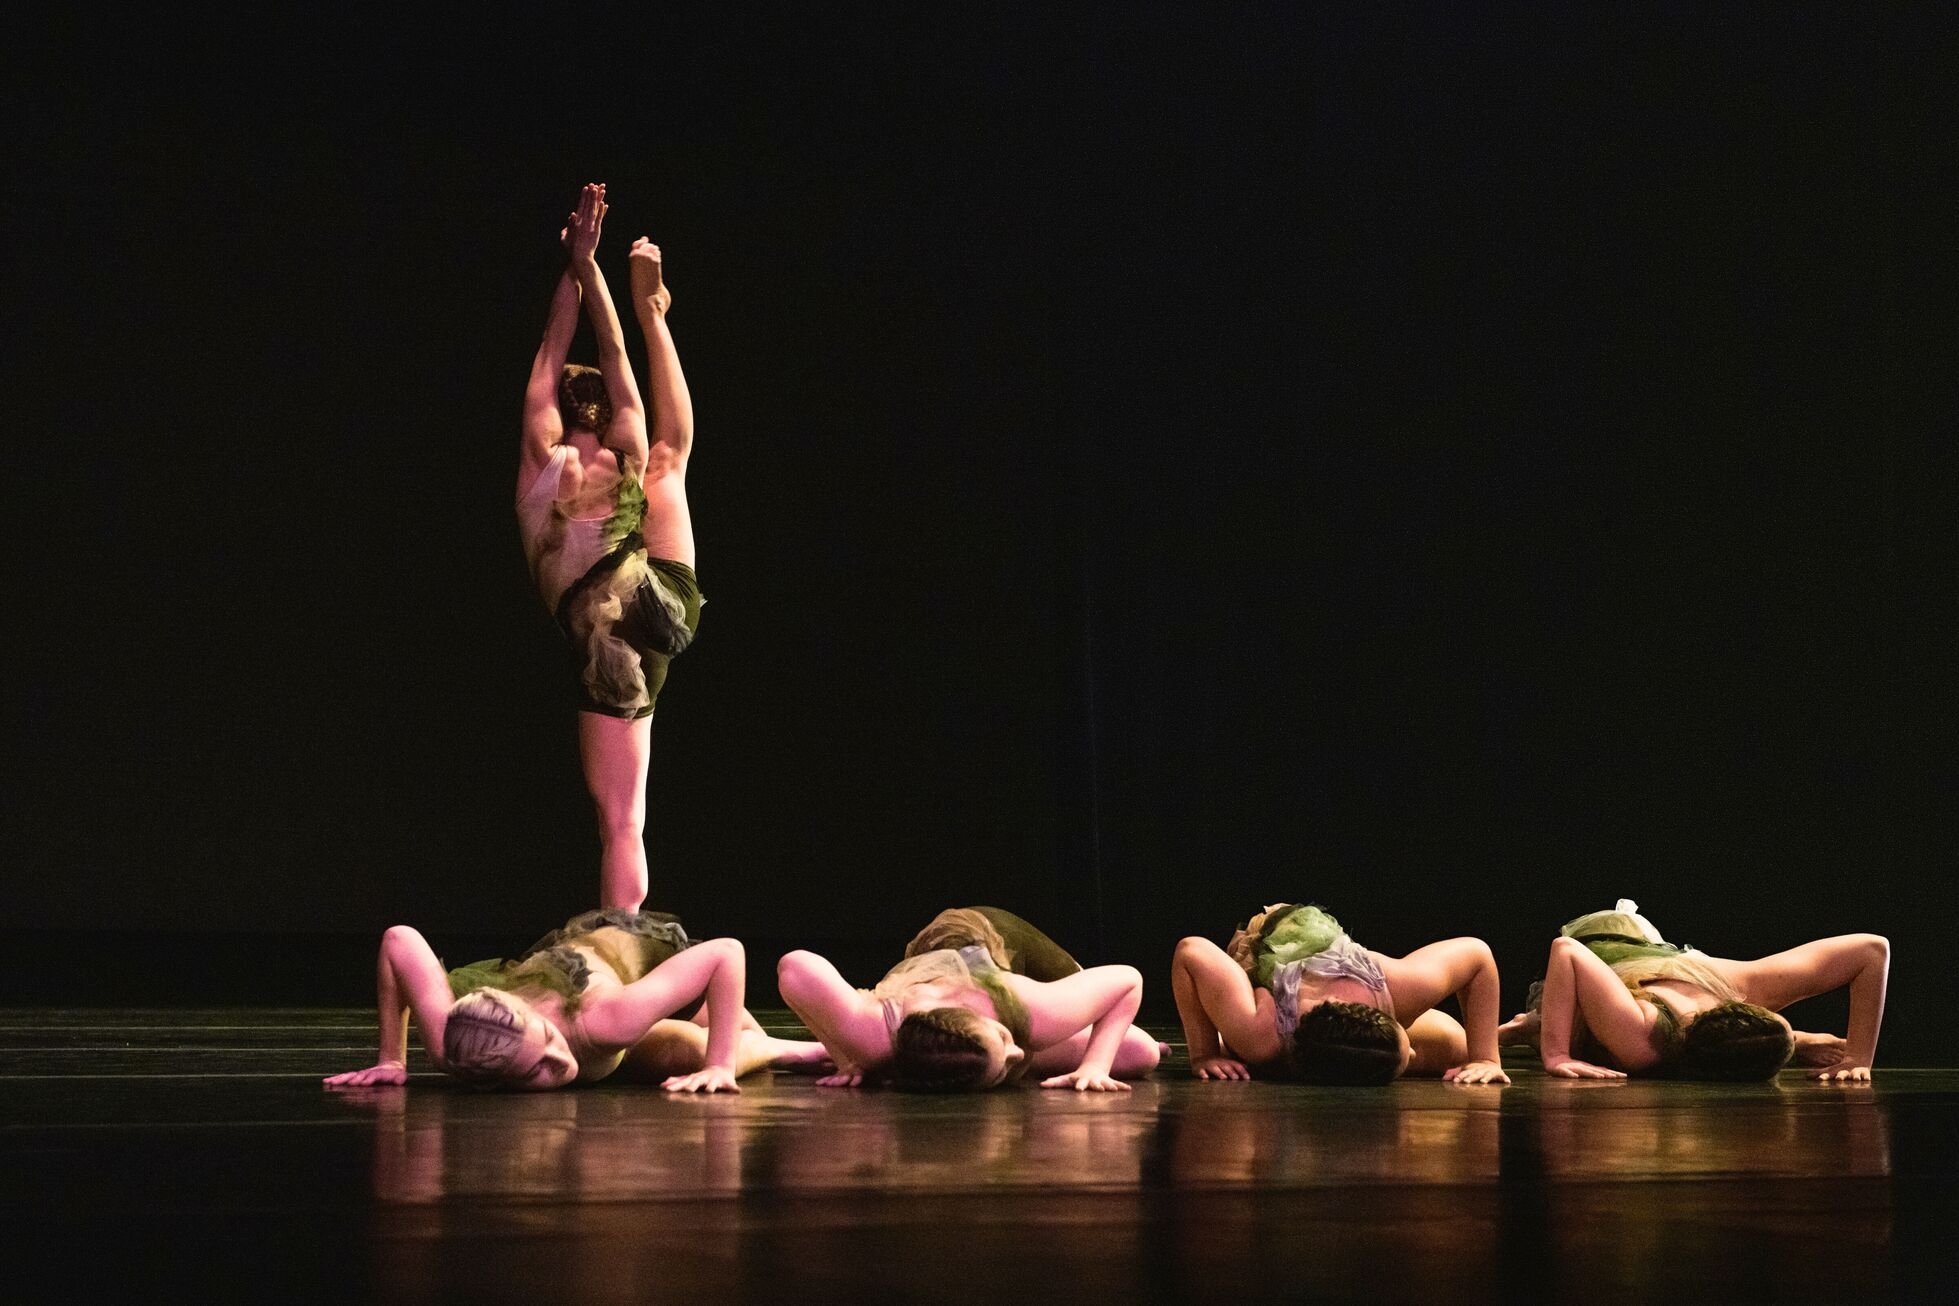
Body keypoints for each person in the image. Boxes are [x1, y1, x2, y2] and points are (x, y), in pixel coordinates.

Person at [516, 183, 701, 911]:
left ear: (559, 406)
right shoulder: (623, 445)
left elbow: (550, 347)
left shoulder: (544, 459)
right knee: (669, 459)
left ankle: (621, 938)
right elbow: (606, 348)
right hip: (665, 601)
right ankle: (659, 317)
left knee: (622, 822)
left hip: (612, 634)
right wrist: (590, 271)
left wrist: (573, 264)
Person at [323, 908, 823, 1092]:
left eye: (545, 1040)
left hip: (623, 949)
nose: (558, 1059)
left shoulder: (604, 1023)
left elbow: (727, 954)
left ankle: (794, 1049)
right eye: (535, 1069)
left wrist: (719, 1065)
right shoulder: (452, 1041)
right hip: (545, 973)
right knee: (653, 1059)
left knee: (696, 1052)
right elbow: (398, 940)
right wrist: (392, 1058)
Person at [776, 906, 1162, 1092]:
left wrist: (1095, 1066)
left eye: (1004, 1040)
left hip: (996, 932)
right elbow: (792, 972)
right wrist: (843, 1051)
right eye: (1002, 1067)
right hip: (942, 974)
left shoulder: (1029, 1006)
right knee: (1144, 1053)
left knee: (1093, 1008)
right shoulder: (881, 1040)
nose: (1016, 1055)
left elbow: (1128, 980)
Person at [1504, 899, 1888, 1082]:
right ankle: (1532, 1026)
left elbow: (1871, 951)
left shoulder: (1746, 985)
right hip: (1593, 944)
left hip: (1645, 948)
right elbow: (1566, 950)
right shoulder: (1644, 1040)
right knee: (1577, 1039)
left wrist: (1859, 1058)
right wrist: (1555, 1054)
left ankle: (1532, 1027)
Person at [1171, 903, 1510, 1085]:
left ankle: (1511, 1033)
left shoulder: (1397, 985)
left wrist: (1486, 1057)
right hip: (1259, 956)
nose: (1414, 1058)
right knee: (1242, 1050)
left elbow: (1477, 955)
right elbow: (1191, 953)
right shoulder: (1261, 1037)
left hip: (1299, 941)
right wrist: (1204, 1053)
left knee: (1463, 1049)